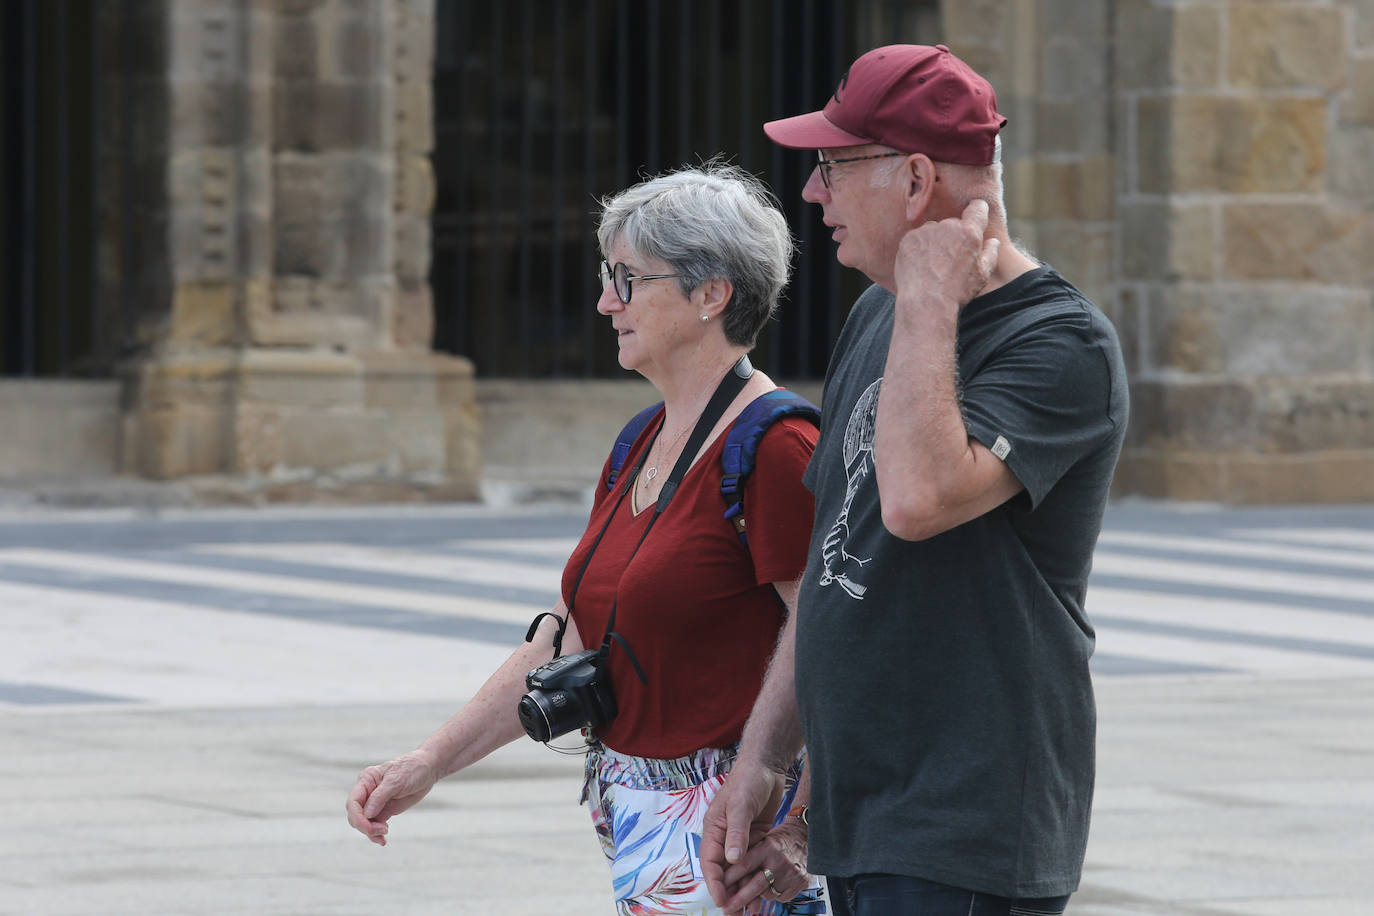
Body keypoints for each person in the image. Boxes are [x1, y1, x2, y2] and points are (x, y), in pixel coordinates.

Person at [700, 45, 1130, 916]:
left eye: (832, 165)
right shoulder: (879, 311)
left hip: (965, 830)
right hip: (862, 815)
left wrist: (933, 301)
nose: (813, 194)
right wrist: (766, 762)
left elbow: (915, 502)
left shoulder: (1061, 344)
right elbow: (835, 556)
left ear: (917, 177)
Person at [346, 162, 826, 915]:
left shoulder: (776, 448)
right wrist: (428, 762)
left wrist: (801, 829)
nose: (605, 301)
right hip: (641, 827)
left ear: (712, 294)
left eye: (628, 279)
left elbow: (835, 639)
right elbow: (572, 636)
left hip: (737, 841)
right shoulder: (642, 439)